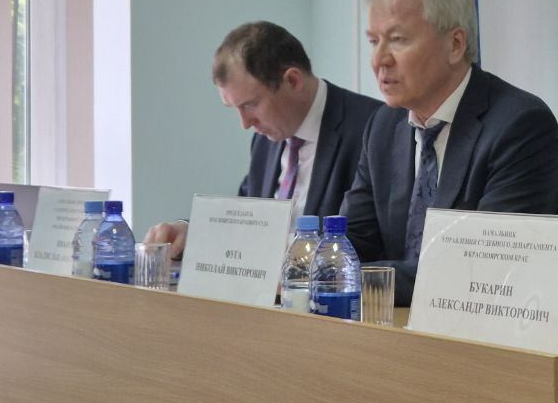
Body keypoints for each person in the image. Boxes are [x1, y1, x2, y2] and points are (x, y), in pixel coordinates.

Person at [340, 0, 558, 306]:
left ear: (455, 45)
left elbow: (483, 269)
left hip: (502, 323)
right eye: (373, 41)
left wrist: (349, 278)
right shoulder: (384, 125)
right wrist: (318, 266)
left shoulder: (520, 125)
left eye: (398, 40)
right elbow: (354, 239)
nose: (379, 60)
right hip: (405, 321)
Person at [145, 21, 381, 258]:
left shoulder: (373, 129)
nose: (245, 123)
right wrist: (191, 233)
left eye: (250, 105)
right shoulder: (266, 139)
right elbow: (243, 225)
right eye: (235, 108)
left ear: (293, 81)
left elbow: (370, 243)